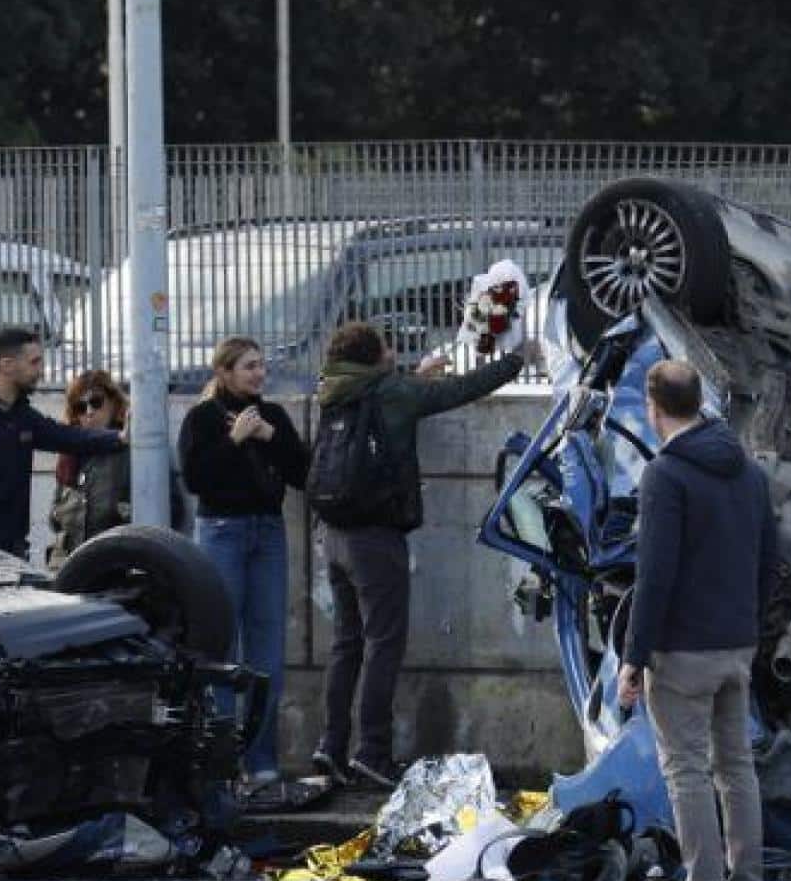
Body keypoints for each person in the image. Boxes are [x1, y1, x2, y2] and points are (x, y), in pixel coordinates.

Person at [309, 318, 539, 787]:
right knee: (383, 643)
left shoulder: (334, 391)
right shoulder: (390, 393)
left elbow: (394, 397)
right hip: (376, 539)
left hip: (333, 533)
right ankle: (372, 752)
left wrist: (416, 376)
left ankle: (330, 746)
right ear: (375, 356)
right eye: (386, 347)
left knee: (347, 644)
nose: (392, 352)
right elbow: (460, 390)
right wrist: (517, 361)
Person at [613, 360, 778, 881]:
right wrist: (749, 628)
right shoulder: (749, 472)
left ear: (654, 408)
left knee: (686, 770)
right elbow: (769, 561)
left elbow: (654, 575)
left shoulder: (665, 475)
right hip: (737, 645)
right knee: (737, 768)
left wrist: (634, 657)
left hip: (683, 650)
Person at [181, 337, 319, 811]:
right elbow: (196, 479)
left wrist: (270, 437)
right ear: (224, 372)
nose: (259, 374)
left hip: (267, 533)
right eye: (249, 367)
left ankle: (262, 762)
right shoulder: (202, 418)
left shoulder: (273, 415)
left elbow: (305, 474)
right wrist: (233, 441)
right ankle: (221, 765)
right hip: (221, 533)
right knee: (222, 648)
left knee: (267, 652)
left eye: (261, 365)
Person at [0, 327, 124, 563]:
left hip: (12, 555)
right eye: (34, 362)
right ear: (6, 365)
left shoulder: (20, 416)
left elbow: (66, 437)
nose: (41, 371)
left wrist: (119, 438)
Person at [49, 368, 132, 569]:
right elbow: (54, 518)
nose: (89, 412)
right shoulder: (69, 454)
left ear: (113, 403)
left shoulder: (132, 451)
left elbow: (169, 507)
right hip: (70, 563)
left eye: (96, 402)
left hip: (116, 562)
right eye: (80, 407)